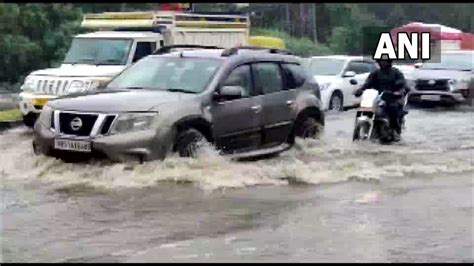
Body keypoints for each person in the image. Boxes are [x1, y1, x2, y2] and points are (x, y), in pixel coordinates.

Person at [354, 56, 408, 141]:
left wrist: (398, 92)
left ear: (389, 62)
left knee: (393, 108)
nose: (383, 63)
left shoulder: (396, 72)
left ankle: (395, 131)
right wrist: (360, 90)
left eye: (385, 61)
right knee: (363, 107)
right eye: (381, 61)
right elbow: (368, 83)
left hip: (392, 97)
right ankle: (359, 130)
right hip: (377, 98)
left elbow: (403, 85)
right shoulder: (376, 73)